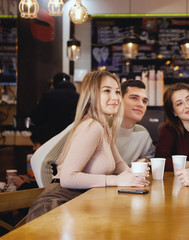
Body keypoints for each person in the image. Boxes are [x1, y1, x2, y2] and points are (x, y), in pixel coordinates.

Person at [27, 70, 150, 222]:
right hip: (57, 205)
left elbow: (118, 164)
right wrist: (117, 181)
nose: (115, 97)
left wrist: (134, 177)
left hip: (80, 200)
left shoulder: (103, 126)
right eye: (107, 91)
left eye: (117, 92)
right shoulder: (92, 127)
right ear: (92, 95)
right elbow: (68, 178)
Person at [31, 72, 79, 147]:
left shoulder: (48, 96)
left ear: (54, 84)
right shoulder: (78, 97)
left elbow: (36, 118)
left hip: (50, 139)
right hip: (72, 138)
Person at [116, 80, 155, 166]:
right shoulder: (102, 129)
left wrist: (144, 160)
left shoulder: (142, 133)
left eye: (144, 101)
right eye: (134, 98)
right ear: (118, 100)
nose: (141, 104)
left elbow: (152, 156)